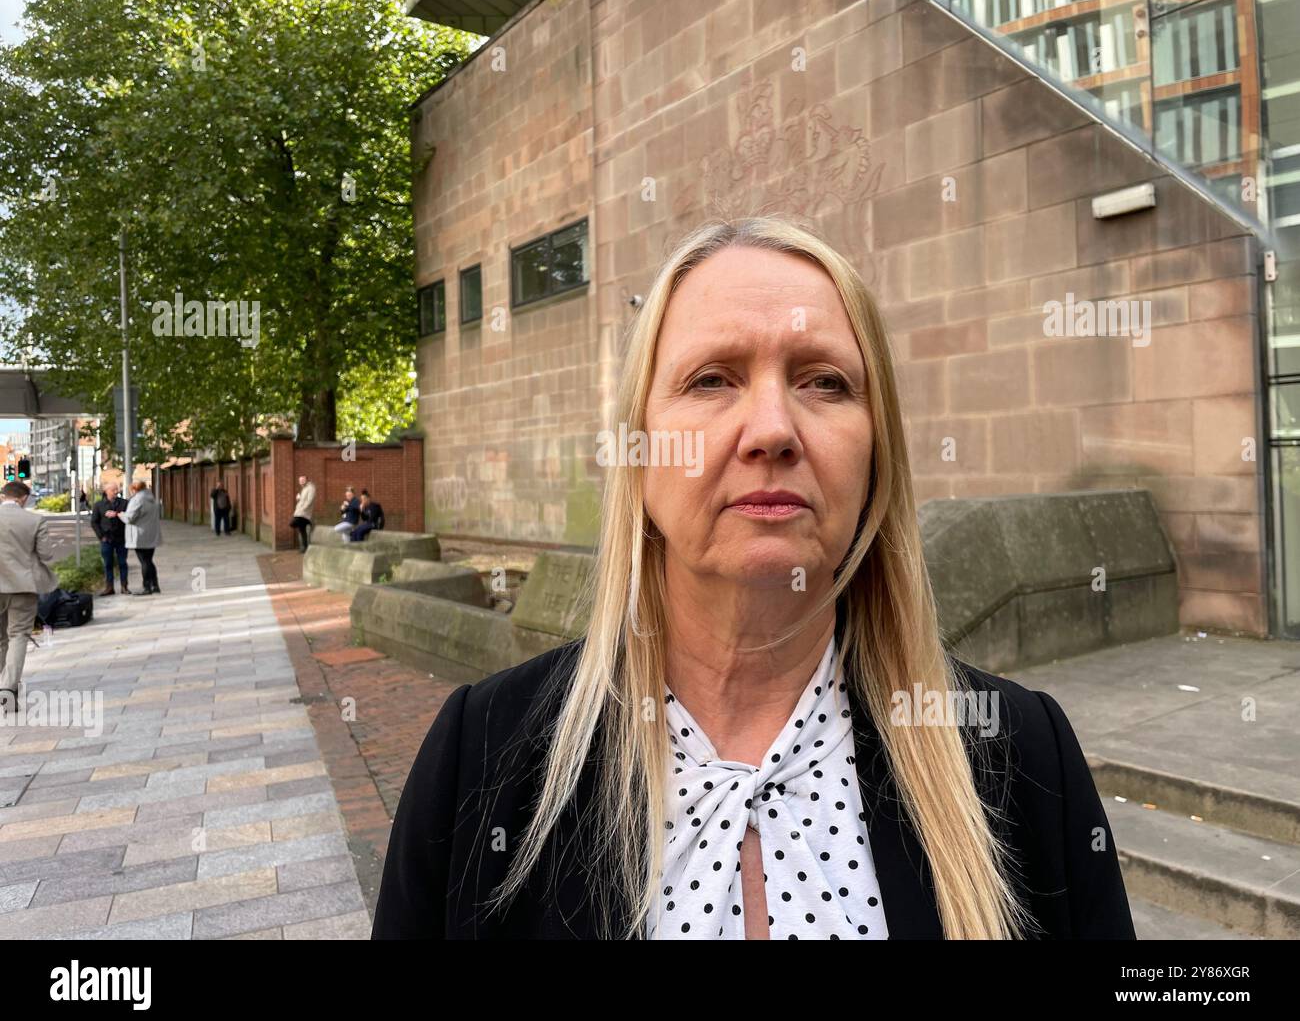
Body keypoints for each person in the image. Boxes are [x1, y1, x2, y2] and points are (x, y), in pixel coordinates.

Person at [371, 216, 1135, 941]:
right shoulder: (480, 758)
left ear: (877, 454)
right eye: (711, 380)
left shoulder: (1021, 755)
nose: (772, 428)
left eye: (825, 382)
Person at [0, 480, 57, 715]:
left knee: (1, 639)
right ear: (23, 498)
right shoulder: (34, 520)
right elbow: (46, 554)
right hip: (23, 586)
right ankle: (7, 690)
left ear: (3, 496)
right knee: (18, 636)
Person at [121, 480, 163, 595]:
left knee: (144, 561)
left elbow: (129, 518)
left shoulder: (137, 500)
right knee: (149, 560)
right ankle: (155, 585)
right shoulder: (151, 498)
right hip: (151, 534)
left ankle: (147, 586)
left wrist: (121, 515)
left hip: (139, 535)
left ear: (134, 489)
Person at [91, 482, 130, 596]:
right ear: (106, 491)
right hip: (106, 539)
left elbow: (129, 517)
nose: (116, 492)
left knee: (123, 562)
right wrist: (101, 536)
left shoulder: (124, 503)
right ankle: (109, 587)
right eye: (113, 490)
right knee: (108, 563)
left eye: (117, 489)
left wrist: (117, 514)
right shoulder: (99, 505)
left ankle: (124, 586)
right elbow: (94, 522)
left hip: (121, 538)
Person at [289, 475, 316, 553]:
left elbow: (310, 500)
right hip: (300, 512)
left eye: (303, 480)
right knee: (302, 530)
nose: (301, 482)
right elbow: (302, 500)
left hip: (304, 513)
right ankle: (305, 548)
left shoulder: (311, 488)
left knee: (292, 523)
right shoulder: (303, 489)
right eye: (300, 480)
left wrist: (303, 508)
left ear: (307, 480)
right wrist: (299, 498)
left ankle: (309, 522)